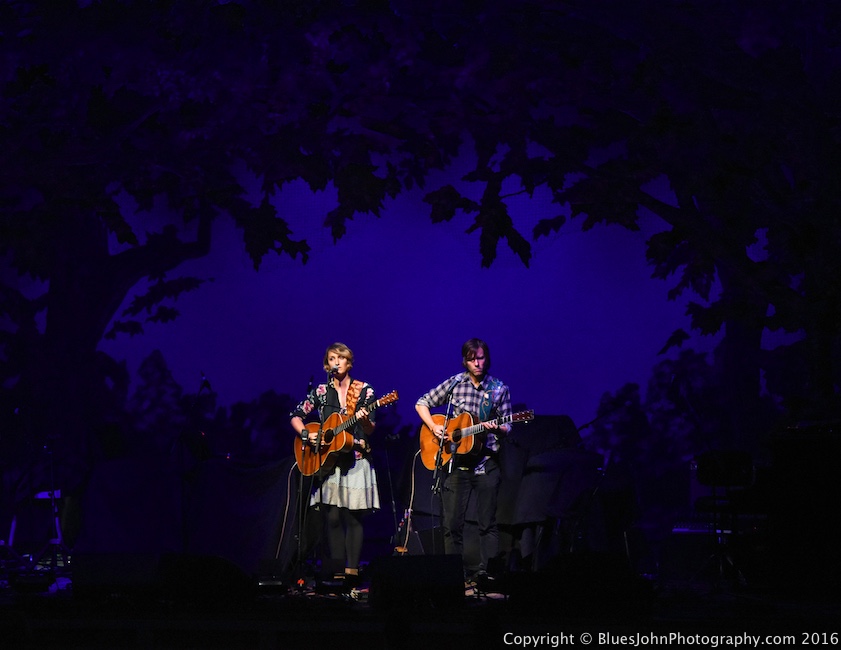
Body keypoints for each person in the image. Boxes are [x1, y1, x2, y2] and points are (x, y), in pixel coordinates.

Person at [415, 338, 512, 584]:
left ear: (486, 358)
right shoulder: (455, 384)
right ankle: (454, 576)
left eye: (480, 358)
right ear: (465, 361)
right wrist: (434, 426)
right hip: (456, 463)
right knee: (451, 525)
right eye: (472, 359)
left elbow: (509, 425)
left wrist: (498, 428)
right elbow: (421, 403)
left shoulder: (499, 389)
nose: (477, 363)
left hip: (486, 463)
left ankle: (487, 575)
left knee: (487, 524)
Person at [289, 342, 380, 586]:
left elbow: (371, 428)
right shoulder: (320, 392)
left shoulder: (364, 390)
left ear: (349, 363)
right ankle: (337, 571)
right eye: (331, 359)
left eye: (341, 358)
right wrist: (307, 435)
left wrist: (364, 420)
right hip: (327, 462)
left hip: (356, 458)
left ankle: (352, 571)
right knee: (332, 518)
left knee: (353, 517)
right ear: (326, 364)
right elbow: (296, 416)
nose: (336, 362)